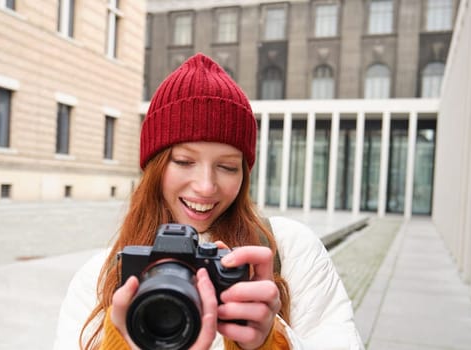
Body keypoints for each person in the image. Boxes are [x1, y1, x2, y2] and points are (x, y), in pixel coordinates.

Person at [52, 53, 362, 349]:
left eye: (227, 166)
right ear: (155, 166)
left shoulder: (290, 249)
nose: (205, 186)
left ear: (244, 173)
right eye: (185, 161)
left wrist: (271, 340)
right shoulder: (100, 276)